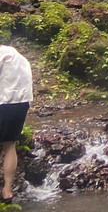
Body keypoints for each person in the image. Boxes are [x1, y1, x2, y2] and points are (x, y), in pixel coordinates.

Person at [0, 45, 33, 203]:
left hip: (3, 102)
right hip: (21, 103)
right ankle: (7, 190)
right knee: (10, 145)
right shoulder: (16, 54)